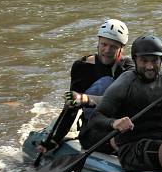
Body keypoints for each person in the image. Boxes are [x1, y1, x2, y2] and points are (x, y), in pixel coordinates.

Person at [79, 35, 162, 172]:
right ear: (135, 60)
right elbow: (95, 119)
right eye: (144, 61)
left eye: (154, 60)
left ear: (161, 59)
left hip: (159, 138)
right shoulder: (125, 83)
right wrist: (114, 123)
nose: (150, 66)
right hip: (132, 149)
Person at [43, 19, 134, 150]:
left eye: (113, 46)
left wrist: (84, 99)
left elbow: (127, 100)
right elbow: (71, 107)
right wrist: (56, 139)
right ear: (98, 43)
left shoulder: (128, 69)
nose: (107, 50)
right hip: (94, 129)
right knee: (105, 83)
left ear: (121, 49)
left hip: (121, 124)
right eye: (104, 44)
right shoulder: (82, 67)